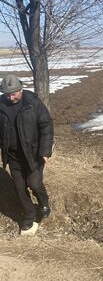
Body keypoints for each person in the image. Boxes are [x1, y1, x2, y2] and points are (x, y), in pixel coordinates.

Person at [0, 74, 53, 234]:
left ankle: (44, 204)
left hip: (33, 154)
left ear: (21, 89)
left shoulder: (33, 103)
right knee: (19, 188)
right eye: (7, 94)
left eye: (14, 93)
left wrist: (45, 150)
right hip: (14, 156)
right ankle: (29, 217)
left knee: (35, 184)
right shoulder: (0, 106)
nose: (11, 97)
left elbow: (46, 125)